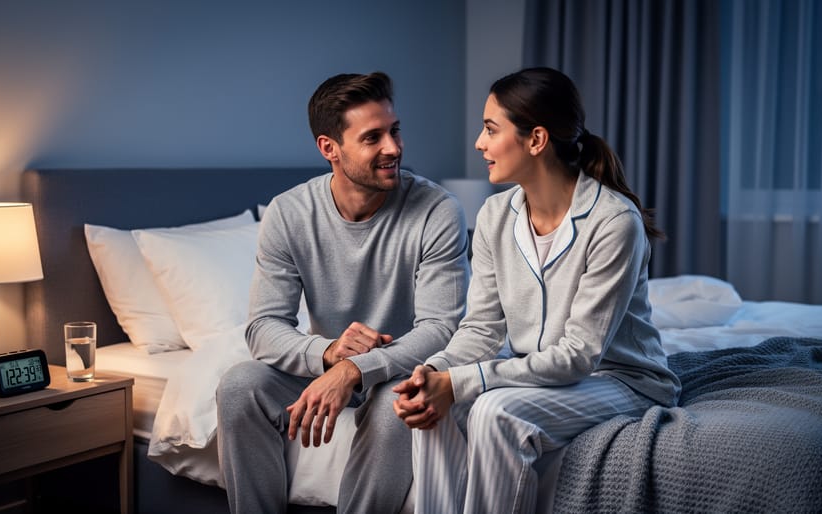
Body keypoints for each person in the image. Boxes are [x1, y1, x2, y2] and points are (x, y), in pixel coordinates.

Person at [393, 67, 681, 513]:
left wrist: (465, 381)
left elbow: (579, 355)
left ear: (536, 140)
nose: (479, 143)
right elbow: (483, 330)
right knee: (440, 404)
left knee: (494, 412)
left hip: (621, 379)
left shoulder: (613, 222)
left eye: (491, 129)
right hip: (543, 374)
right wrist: (433, 373)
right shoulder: (493, 216)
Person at [216, 71, 470, 513]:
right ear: (329, 148)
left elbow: (442, 328)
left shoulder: (437, 209)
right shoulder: (289, 213)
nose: (393, 148)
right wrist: (331, 353)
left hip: (404, 366)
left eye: (394, 131)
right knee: (239, 386)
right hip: (328, 364)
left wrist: (355, 370)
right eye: (373, 137)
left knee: (394, 411)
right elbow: (263, 327)